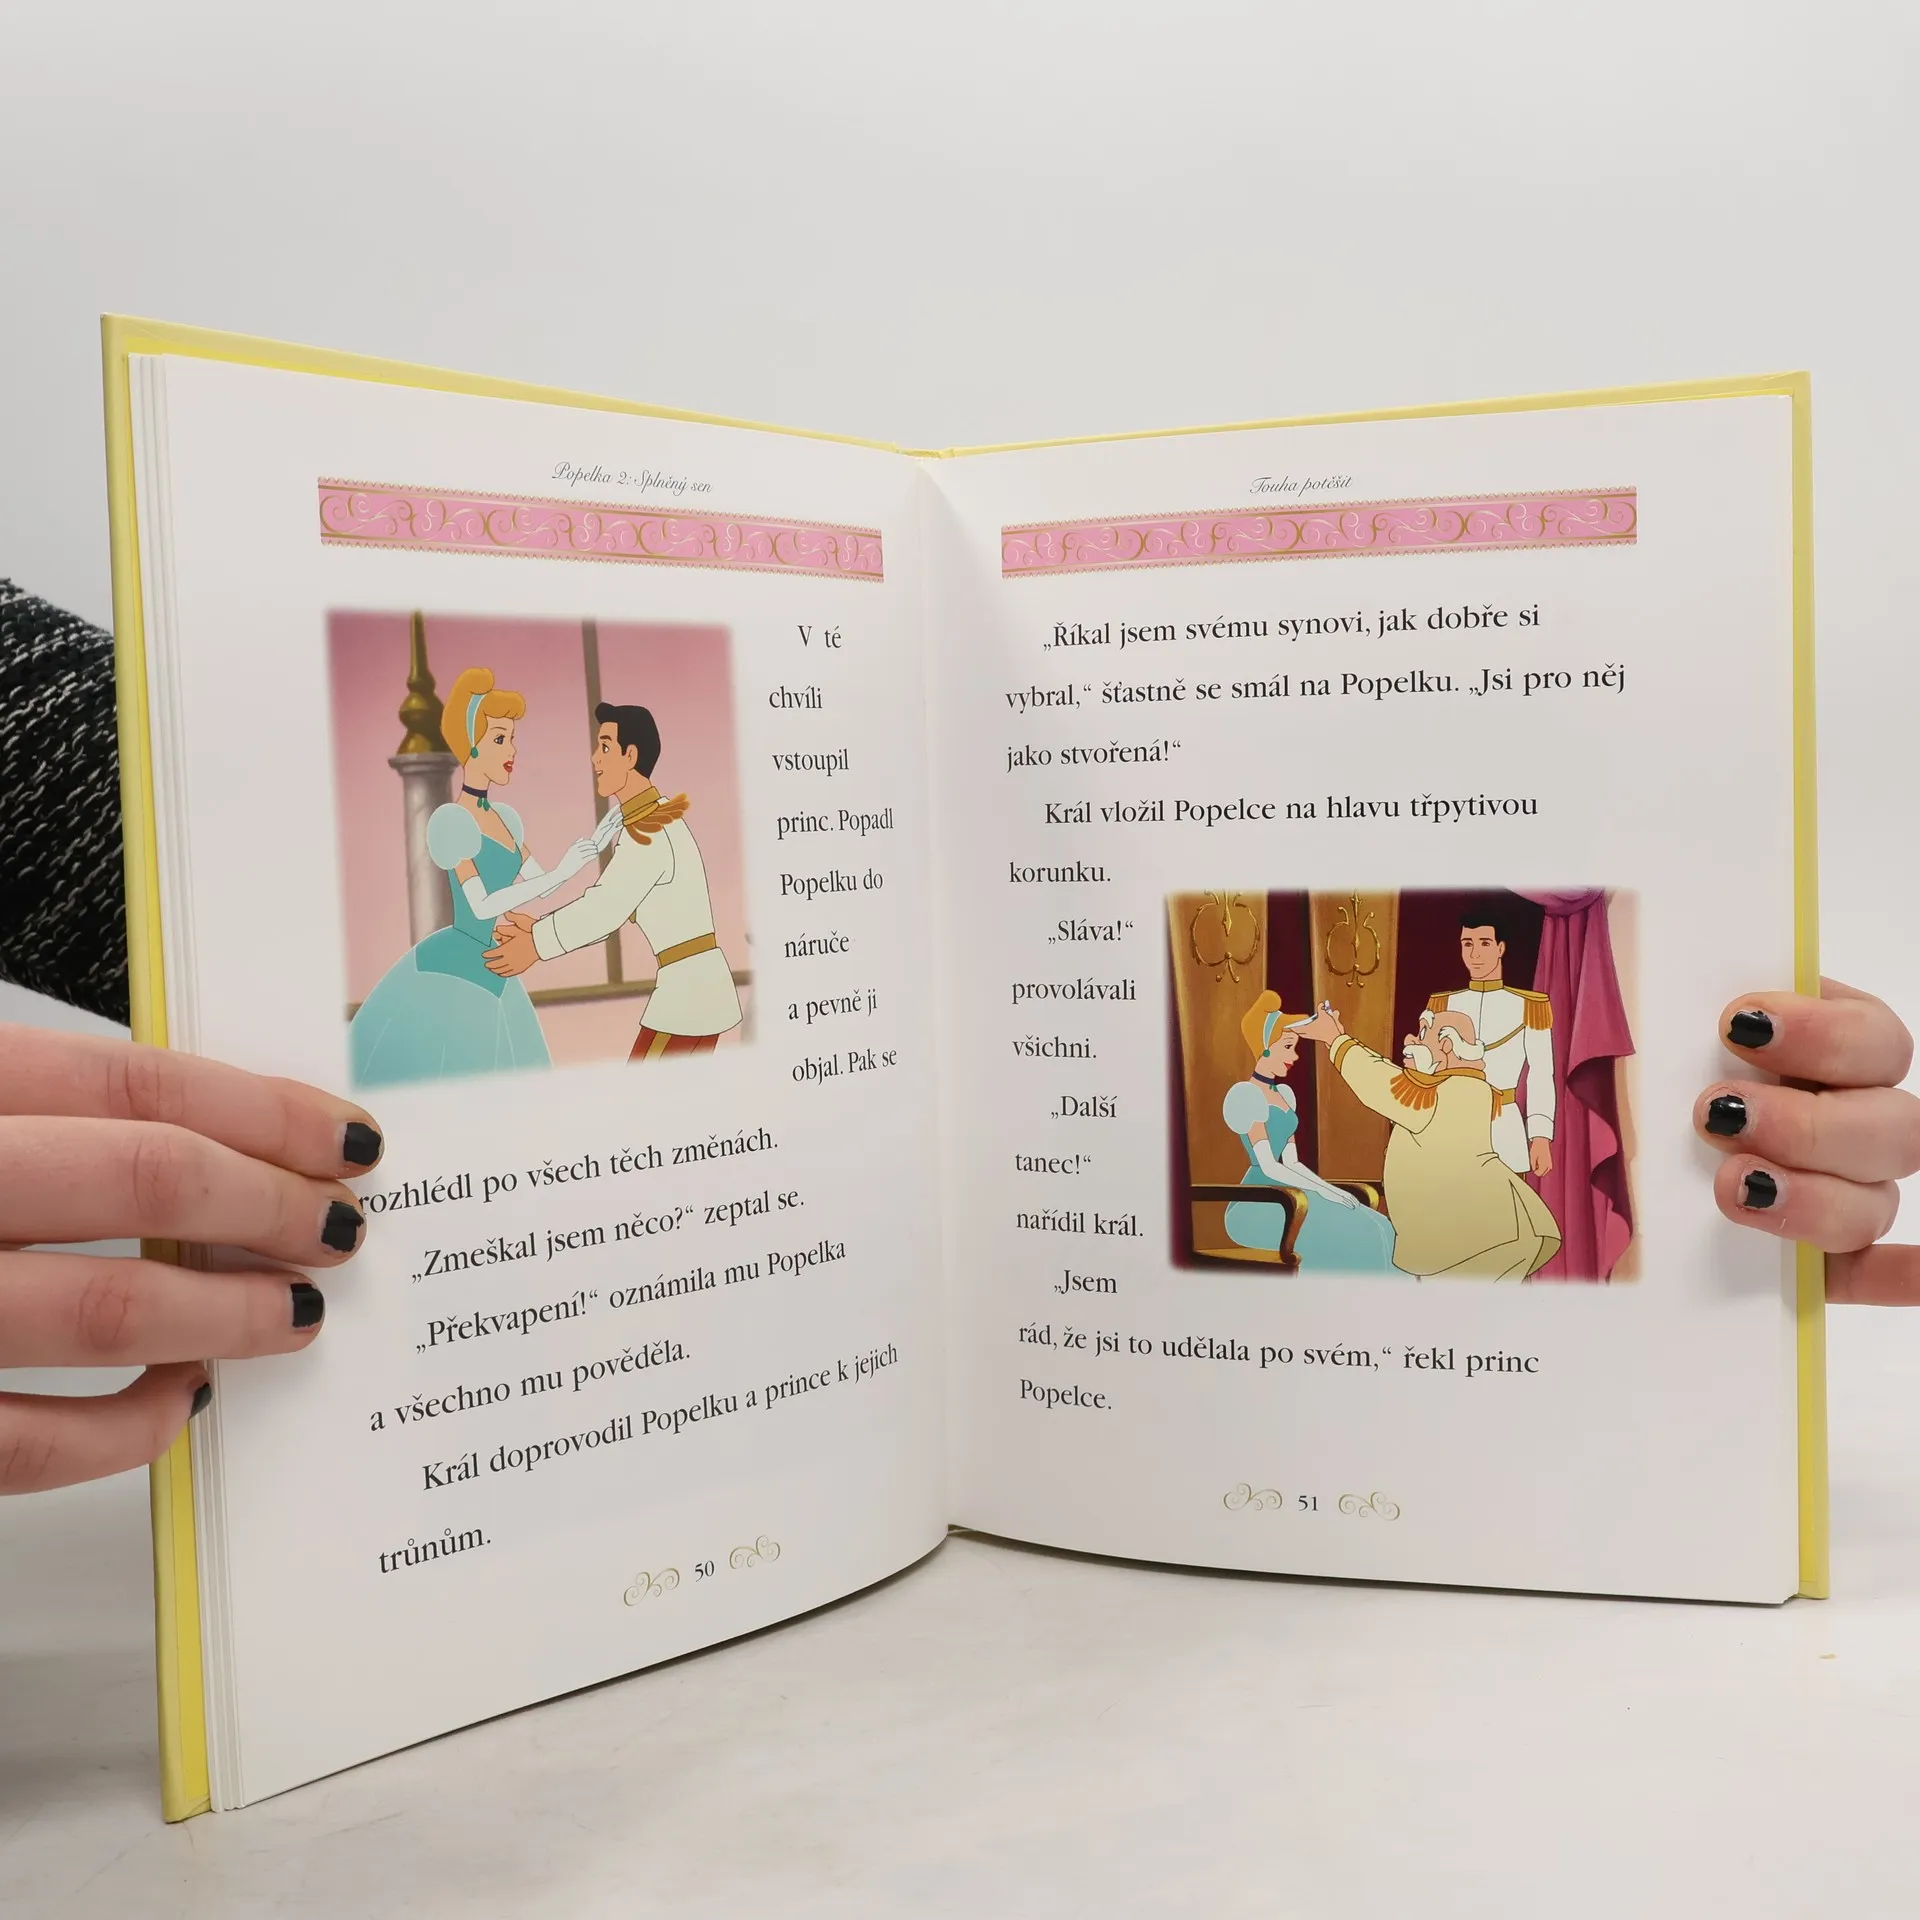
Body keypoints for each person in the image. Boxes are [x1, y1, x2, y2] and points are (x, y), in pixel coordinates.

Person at [3, 582, 1920, 1489]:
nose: (570, 757)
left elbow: (98, 802)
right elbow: (563, 898)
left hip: (719, 1013)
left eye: (587, 740)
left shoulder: (1481, 1032)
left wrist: (1702, 1205)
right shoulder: (610, 829)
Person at [347, 666, 605, 1088]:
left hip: (494, 967)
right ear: (471, 746)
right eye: (500, 739)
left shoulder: (505, 820)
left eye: (513, 738)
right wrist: (561, 870)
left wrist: (586, 852)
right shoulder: (453, 821)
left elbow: (542, 886)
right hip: (454, 965)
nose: (511, 750)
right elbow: (482, 905)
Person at [483, 700, 742, 1059]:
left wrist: (535, 944)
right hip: (692, 995)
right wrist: (538, 929)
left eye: (605, 747)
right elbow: (608, 910)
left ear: (630, 756)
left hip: (688, 1000)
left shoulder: (650, 829)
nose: (595, 758)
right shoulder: (652, 820)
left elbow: (604, 909)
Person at [1220, 989, 1397, 1271]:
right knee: (1359, 1233)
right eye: (1288, 1047)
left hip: (1292, 1195)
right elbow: (1269, 1166)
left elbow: (1292, 1163)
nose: (1294, 1056)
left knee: (1380, 1226)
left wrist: (1329, 1189)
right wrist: (1321, 1192)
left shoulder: (1284, 1095)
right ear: (1266, 1047)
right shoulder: (1248, 1096)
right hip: (1259, 1203)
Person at [1426, 904, 1556, 1177]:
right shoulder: (1443, 1004)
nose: (1475, 954)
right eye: (1467, 944)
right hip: (1451, 1129)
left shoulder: (1528, 1006)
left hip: (1503, 1129)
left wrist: (1540, 1136)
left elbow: (1541, 1074)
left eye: (1484, 943)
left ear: (1500, 948)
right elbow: (1426, 1073)